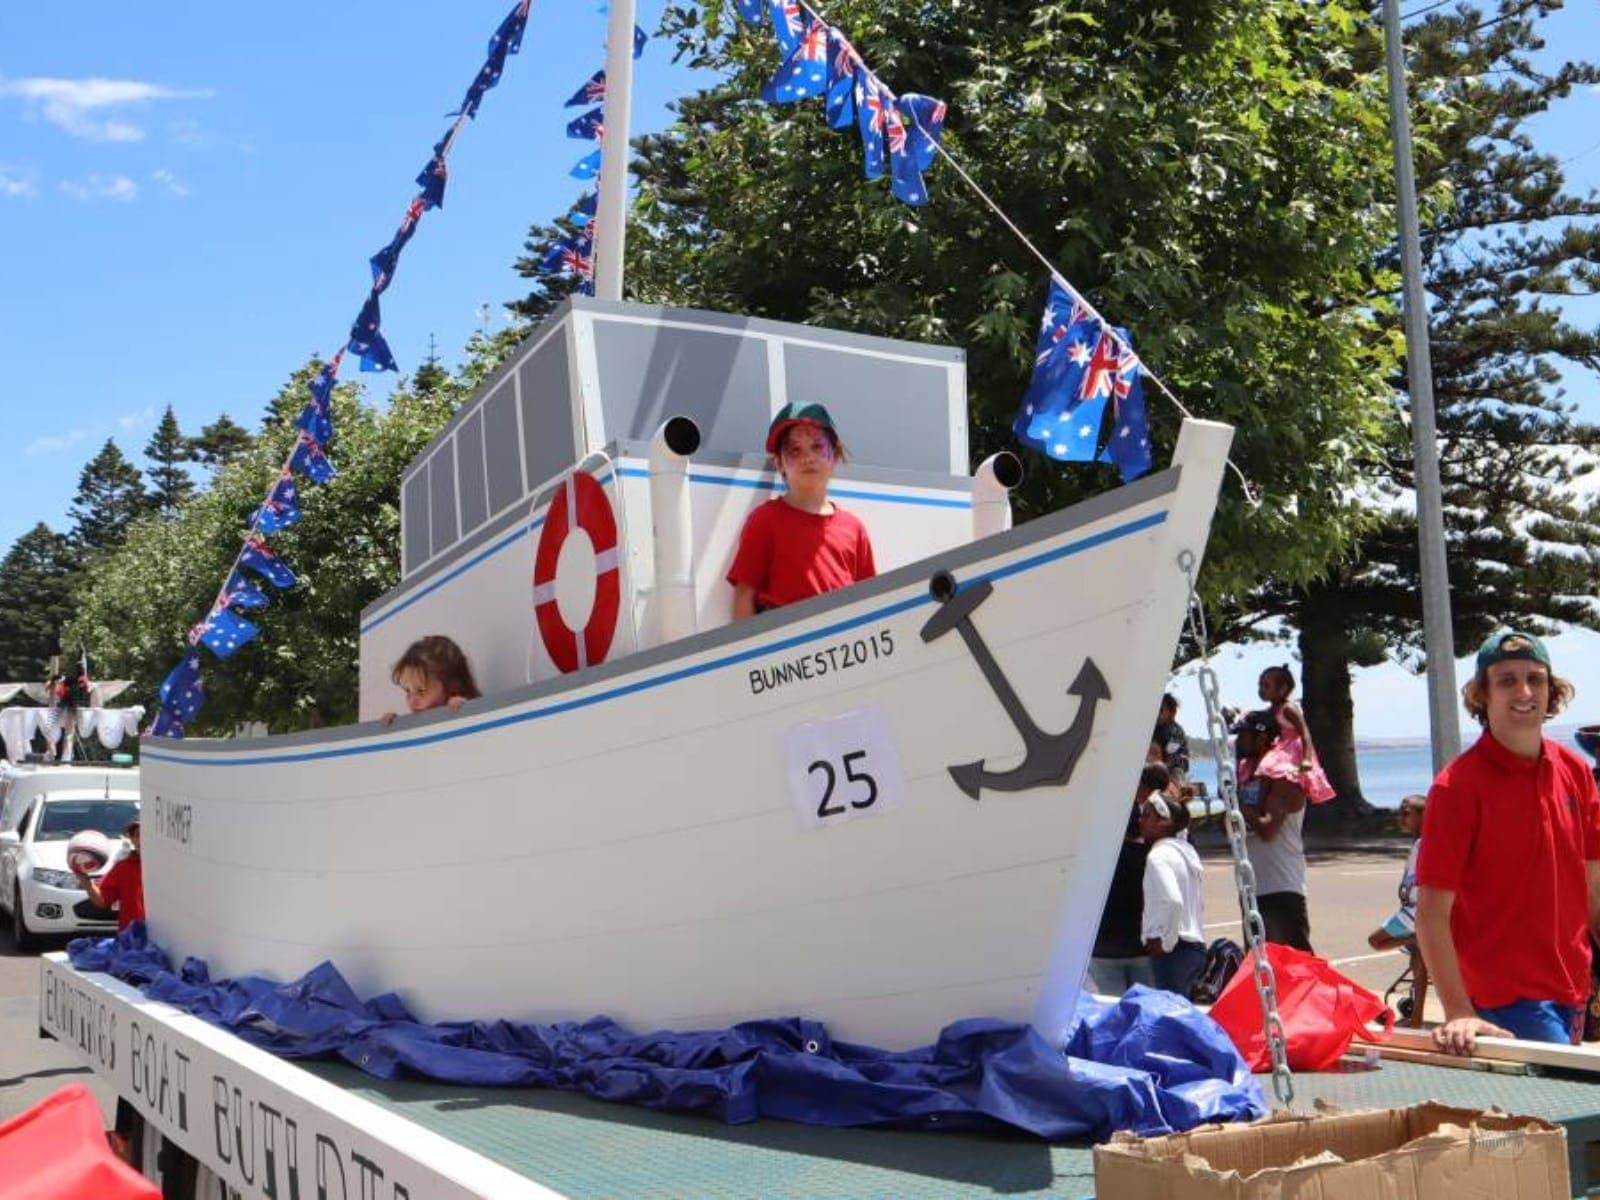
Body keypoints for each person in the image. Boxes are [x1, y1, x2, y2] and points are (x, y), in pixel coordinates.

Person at [1416, 630, 1600, 1054]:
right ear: (1483, 695)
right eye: (1507, 680)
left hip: (1574, 991)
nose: (1524, 691)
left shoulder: (1575, 771)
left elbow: (1592, 889)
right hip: (1505, 1004)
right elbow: (1430, 915)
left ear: (1551, 691)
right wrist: (1458, 1010)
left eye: (1536, 679)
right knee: (1567, 1116)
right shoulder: (1456, 788)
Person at [728, 402, 876, 619]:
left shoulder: (854, 528)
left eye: (817, 447)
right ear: (779, 463)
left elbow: (870, 602)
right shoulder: (765, 520)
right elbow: (744, 598)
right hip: (785, 646)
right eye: (795, 450)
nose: (808, 458)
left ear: (834, 456)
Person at [1236, 709, 1314, 952]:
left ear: (1261, 738)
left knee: (1295, 969)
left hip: (1281, 887)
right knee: (1259, 967)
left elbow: (1268, 828)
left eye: (1244, 735)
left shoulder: (1284, 779)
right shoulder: (1250, 776)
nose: (1238, 742)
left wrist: (1241, 808)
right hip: (1252, 888)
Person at [1086, 765, 1168, 995]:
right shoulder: (1156, 854)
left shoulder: (1101, 856)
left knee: (1113, 1017)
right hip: (1143, 948)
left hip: (1104, 947)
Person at [1141, 792, 1207, 996]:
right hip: (1195, 947)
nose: (1140, 820)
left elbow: (1173, 901)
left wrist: (1164, 943)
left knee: (1170, 1020)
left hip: (1174, 952)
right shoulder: (1187, 852)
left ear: (1165, 822)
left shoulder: (1158, 855)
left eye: (1147, 815)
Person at [1252, 665, 1336, 804]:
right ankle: (1261, 801)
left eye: (1266, 686)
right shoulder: (1273, 709)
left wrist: (1307, 758)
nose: (1261, 690)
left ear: (1283, 688)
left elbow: (1304, 732)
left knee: (1270, 767)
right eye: (1260, 685)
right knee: (1265, 769)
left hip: (1292, 749)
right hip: (1281, 746)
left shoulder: (1288, 709)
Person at [1367, 794, 1426, 951]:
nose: (1400, 818)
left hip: (1416, 912)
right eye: (1399, 814)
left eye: (1406, 814)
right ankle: (1415, 942)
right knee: (1418, 957)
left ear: (1424, 816)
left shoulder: (1425, 844)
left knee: (1376, 941)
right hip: (1411, 910)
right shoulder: (1419, 843)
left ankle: (1414, 939)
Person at [380, 635, 482, 724]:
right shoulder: (421, 717)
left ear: (452, 686)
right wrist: (396, 725)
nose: (412, 702)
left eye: (421, 691)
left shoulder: (472, 711)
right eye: (408, 691)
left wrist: (466, 709)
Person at [74, 819, 143, 932]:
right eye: (138, 835)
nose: (143, 839)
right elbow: (102, 901)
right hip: (133, 938)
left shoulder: (169, 865)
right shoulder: (123, 868)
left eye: (147, 834)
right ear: (132, 839)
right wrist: (86, 882)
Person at [1153, 692, 1191, 780]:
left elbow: (1170, 752)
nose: (1157, 714)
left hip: (1175, 765)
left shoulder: (1175, 730)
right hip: (1158, 764)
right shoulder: (1154, 729)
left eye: (1161, 710)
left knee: (1176, 772)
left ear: (1171, 713)